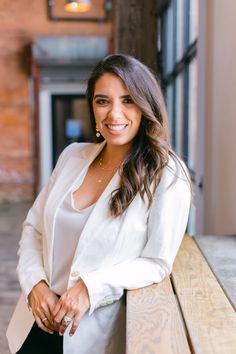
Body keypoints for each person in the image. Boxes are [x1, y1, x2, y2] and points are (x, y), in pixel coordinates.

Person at [6, 54, 191, 354]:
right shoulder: (72, 156)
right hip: (36, 324)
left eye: (128, 100)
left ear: (146, 106)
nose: (114, 114)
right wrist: (35, 285)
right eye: (103, 101)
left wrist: (91, 288)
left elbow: (157, 262)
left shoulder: (167, 174)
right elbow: (34, 229)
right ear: (92, 107)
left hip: (90, 334)